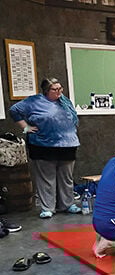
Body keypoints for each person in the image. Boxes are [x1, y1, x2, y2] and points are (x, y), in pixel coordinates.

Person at [9, 78, 81, 219]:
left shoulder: (65, 101)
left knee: (66, 178)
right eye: (55, 89)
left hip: (67, 145)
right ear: (47, 90)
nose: (59, 91)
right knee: (47, 179)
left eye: (60, 88)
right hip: (43, 145)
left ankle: (67, 204)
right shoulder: (34, 101)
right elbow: (14, 110)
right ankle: (48, 208)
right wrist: (26, 127)